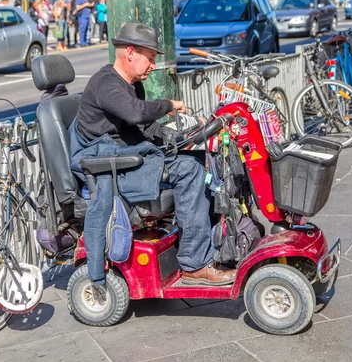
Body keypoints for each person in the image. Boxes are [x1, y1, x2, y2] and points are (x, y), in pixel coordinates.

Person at [70, 22, 237, 287]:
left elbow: (146, 128)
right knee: (189, 169)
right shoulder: (106, 84)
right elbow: (137, 113)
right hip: (110, 167)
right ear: (130, 52)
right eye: (150, 58)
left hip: (128, 158)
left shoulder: (132, 85)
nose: (152, 65)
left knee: (199, 158)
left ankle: (213, 246)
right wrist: (168, 105)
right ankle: (195, 265)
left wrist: (189, 135)